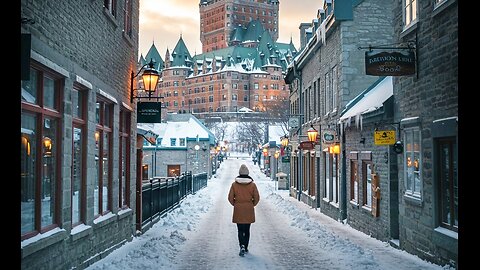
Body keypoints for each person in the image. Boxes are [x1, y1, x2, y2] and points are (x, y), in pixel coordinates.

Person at [228, 164, 260, 257]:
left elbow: (230, 198)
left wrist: (236, 203)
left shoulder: (234, 185)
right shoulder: (252, 185)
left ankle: (241, 245)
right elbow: (257, 197)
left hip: (238, 208)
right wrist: (252, 204)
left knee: (240, 229)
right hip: (249, 208)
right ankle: (245, 246)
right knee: (247, 229)